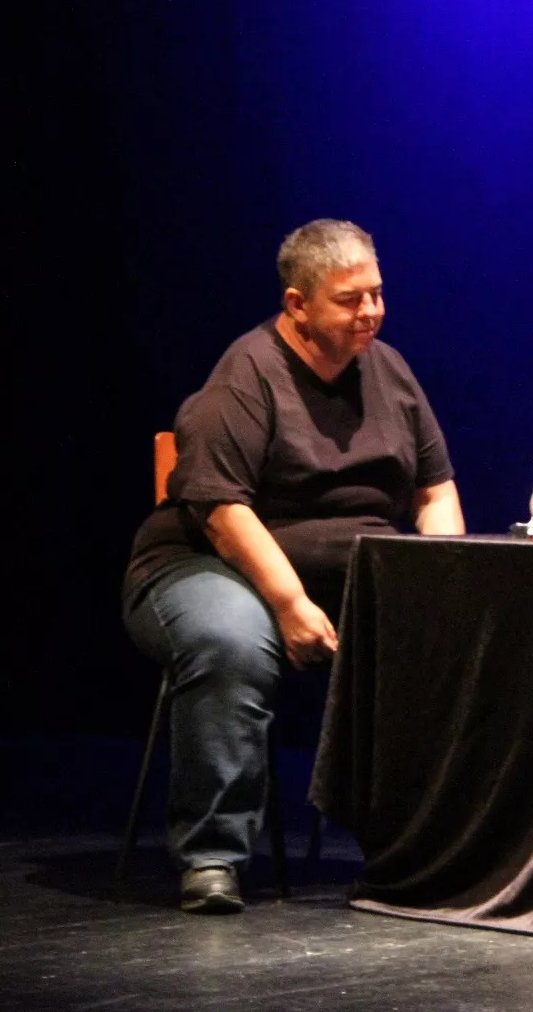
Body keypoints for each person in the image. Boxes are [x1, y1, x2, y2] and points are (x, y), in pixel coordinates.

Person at [122, 219, 464, 913]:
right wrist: (288, 603)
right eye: (349, 300)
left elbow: (435, 489)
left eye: (376, 294)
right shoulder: (247, 375)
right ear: (297, 305)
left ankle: (418, 846)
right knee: (231, 643)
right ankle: (212, 854)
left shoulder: (390, 371)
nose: (370, 312)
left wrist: (436, 577)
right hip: (207, 566)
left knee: (454, 638)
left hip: (351, 571)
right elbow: (220, 509)